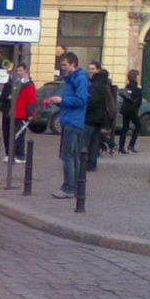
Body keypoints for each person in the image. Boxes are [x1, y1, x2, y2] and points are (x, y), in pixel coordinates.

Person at [48, 52, 89, 199]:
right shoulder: (73, 78)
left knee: (68, 156)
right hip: (71, 120)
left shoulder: (80, 78)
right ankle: (76, 186)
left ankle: (69, 188)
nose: (63, 67)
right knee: (72, 156)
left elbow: (81, 100)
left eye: (65, 65)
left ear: (73, 63)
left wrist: (62, 100)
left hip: (73, 121)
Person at [1, 63, 37, 163]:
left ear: (25, 71)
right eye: (17, 71)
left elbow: (31, 100)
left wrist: (30, 114)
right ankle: (13, 154)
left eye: (20, 70)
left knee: (19, 136)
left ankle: (20, 156)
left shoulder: (28, 85)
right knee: (13, 135)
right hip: (16, 113)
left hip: (22, 114)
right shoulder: (18, 83)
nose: (19, 73)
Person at [81, 61, 109, 171]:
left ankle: (83, 164)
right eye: (89, 68)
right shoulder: (103, 83)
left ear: (98, 70)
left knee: (85, 142)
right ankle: (92, 164)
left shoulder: (95, 84)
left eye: (92, 69)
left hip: (91, 118)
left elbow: (92, 102)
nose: (90, 71)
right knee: (94, 143)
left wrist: (85, 111)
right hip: (99, 118)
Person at [118, 69, 143, 154]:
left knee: (125, 128)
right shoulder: (135, 86)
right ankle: (131, 145)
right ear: (135, 77)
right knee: (138, 126)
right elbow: (137, 98)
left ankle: (121, 147)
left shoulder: (128, 86)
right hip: (132, 110)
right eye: (138, 76)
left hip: (125, 109)